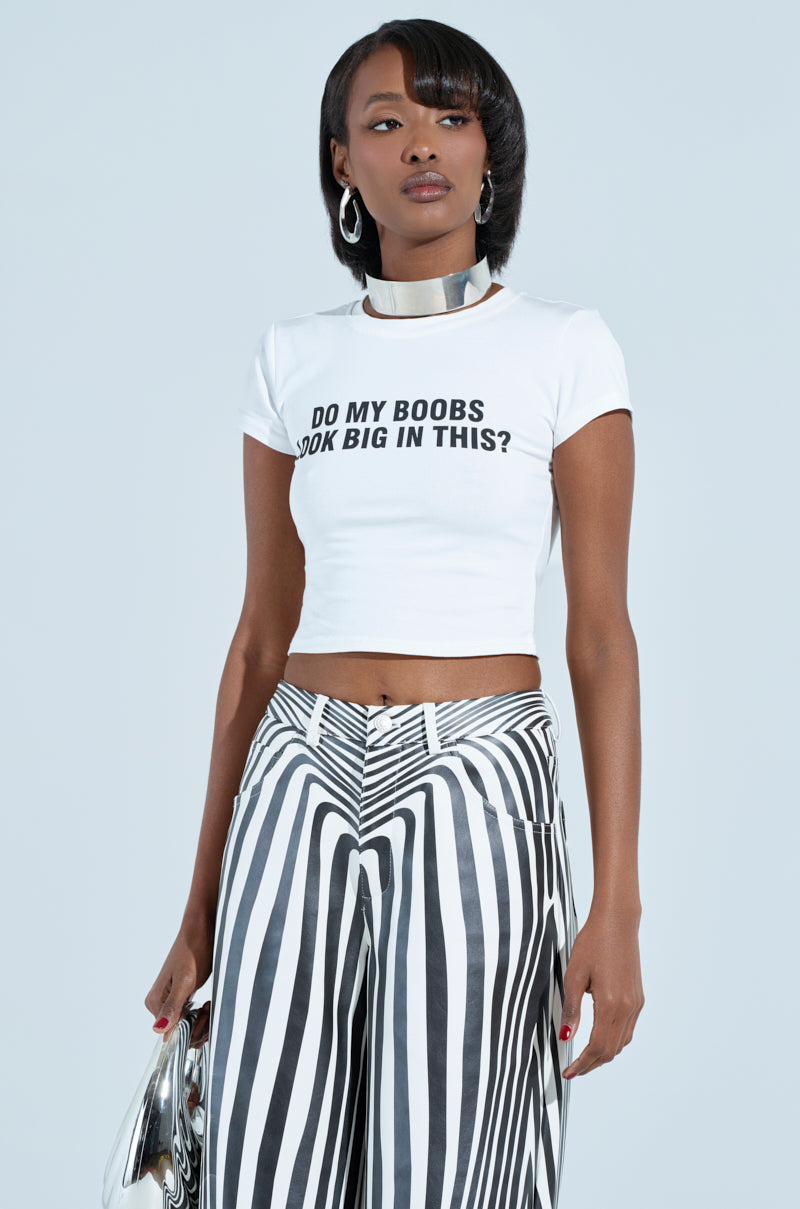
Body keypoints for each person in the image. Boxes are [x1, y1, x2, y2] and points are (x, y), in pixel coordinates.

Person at [145, 17, 643, 1209]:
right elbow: (259, 639)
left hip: (477, 774)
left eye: (449, 117)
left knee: (449, 1164)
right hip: (295, 772)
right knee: (264, 1162)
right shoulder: (293, 358)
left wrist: (615, 905)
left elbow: (597, 637)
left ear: (488, 153)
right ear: (342, 163)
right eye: (385, 121)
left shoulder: (562, 350)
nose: (421, 143)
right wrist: (198, 907)